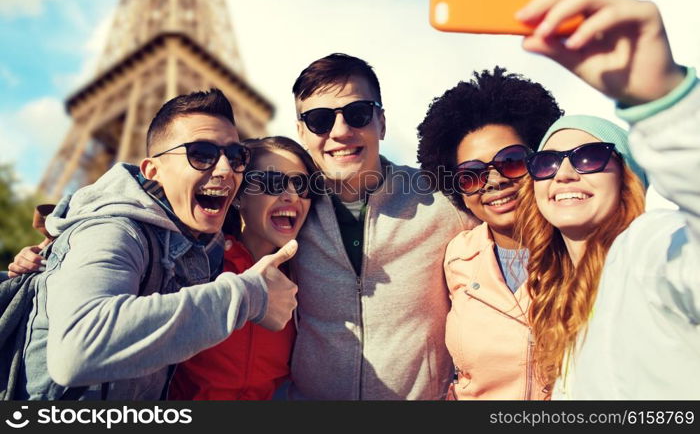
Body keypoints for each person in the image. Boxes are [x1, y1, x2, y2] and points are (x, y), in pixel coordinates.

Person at [9, 89, 298, 400]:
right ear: (152, 171)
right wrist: (249, 296)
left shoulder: (203, 245)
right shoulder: (113, 229)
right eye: (201, 154)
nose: (226, 169)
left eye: (236, 156)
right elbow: (77, 349)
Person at [514, 0, 699, 398]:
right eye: (546, 162)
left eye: (588, 157)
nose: (564, 174)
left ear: (627, 176)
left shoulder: (654, 248)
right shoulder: (552, 294)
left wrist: (664, 101)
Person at [289, 53, 478, 399]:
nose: (341, 132)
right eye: (319, 120)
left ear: (381, 122)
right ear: (301, 132)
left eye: (357, 113)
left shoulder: (441, 201)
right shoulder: (288, 210)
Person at [416, 67, 563, 399]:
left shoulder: (584, 248)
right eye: (471, 174)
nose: (494, 181)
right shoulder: (456, 256)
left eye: (511, 161)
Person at [168, 136, 318, 400]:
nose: (292, 195)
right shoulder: (194, 265)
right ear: (238, 196)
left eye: (302, 185)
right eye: (274, 183)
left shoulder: (306, 283)